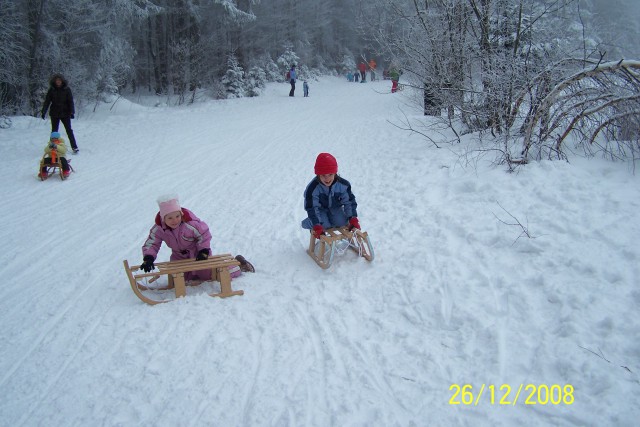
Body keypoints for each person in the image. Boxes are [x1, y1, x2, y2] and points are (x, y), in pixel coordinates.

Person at [141, 195, 255, 281]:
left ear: (181, 214)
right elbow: (152, 243)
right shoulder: (159, 229)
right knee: (180, 278)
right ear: (163, 218)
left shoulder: (189, 224)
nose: (175, 220)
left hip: (198, 255)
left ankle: (239, 265)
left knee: (211, 275)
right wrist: (148, 258)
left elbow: (204, 234)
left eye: (177, 216)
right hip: (178, 257)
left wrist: (203, 250)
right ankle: (192, 274)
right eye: (170, 218)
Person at [301, 153, 361, 238]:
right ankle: (309, 222)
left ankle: (329, 220)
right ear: (318, 174)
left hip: (335, 208)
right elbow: (312, 207)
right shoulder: (313, 188)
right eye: (323, 175)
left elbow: (349, 202)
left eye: (330, 174)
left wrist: (352, 218)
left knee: (342, 222)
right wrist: (317, 225)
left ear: (335, 173)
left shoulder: (343, 185)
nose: (327, 179)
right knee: (324, 225)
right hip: (319, 211)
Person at [41, 74, 79, 154]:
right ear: (54, 81)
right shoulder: (52, 90)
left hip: (65, 112)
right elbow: (47, 101)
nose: (58, 82)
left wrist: (72, 112)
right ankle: (52, 147)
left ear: (62, 81)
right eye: (57, 80)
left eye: (59, 80)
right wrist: (44, 111)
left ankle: (74, 147)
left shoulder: (67, 89)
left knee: (69, 130)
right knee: (54, 132)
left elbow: (70, 101)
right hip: (54, 112)